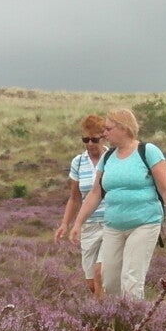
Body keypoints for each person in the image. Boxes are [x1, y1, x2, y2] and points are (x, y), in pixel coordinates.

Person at [68, 108, 166, 300]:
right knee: (109, 281)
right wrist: (78, 223)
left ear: (123, 128)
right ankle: (116, 317)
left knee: (131, 279)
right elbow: (95, 193)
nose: (104, 134)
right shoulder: (107, 158)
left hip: (144, 224)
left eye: (108, 129)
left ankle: (134, 317)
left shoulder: (148, 152)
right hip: (113, 226)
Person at [51, 114, 110, 297]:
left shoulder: (113, 158)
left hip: (111, 224)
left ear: (104, 137)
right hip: (88, 226)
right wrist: (65, 224)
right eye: (86, 139)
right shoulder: (78, 162)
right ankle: (107, 306)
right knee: (92, 283)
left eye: (94, 139)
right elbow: (75, 198)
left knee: (100, 274)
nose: (90, 144)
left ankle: (104, 313)